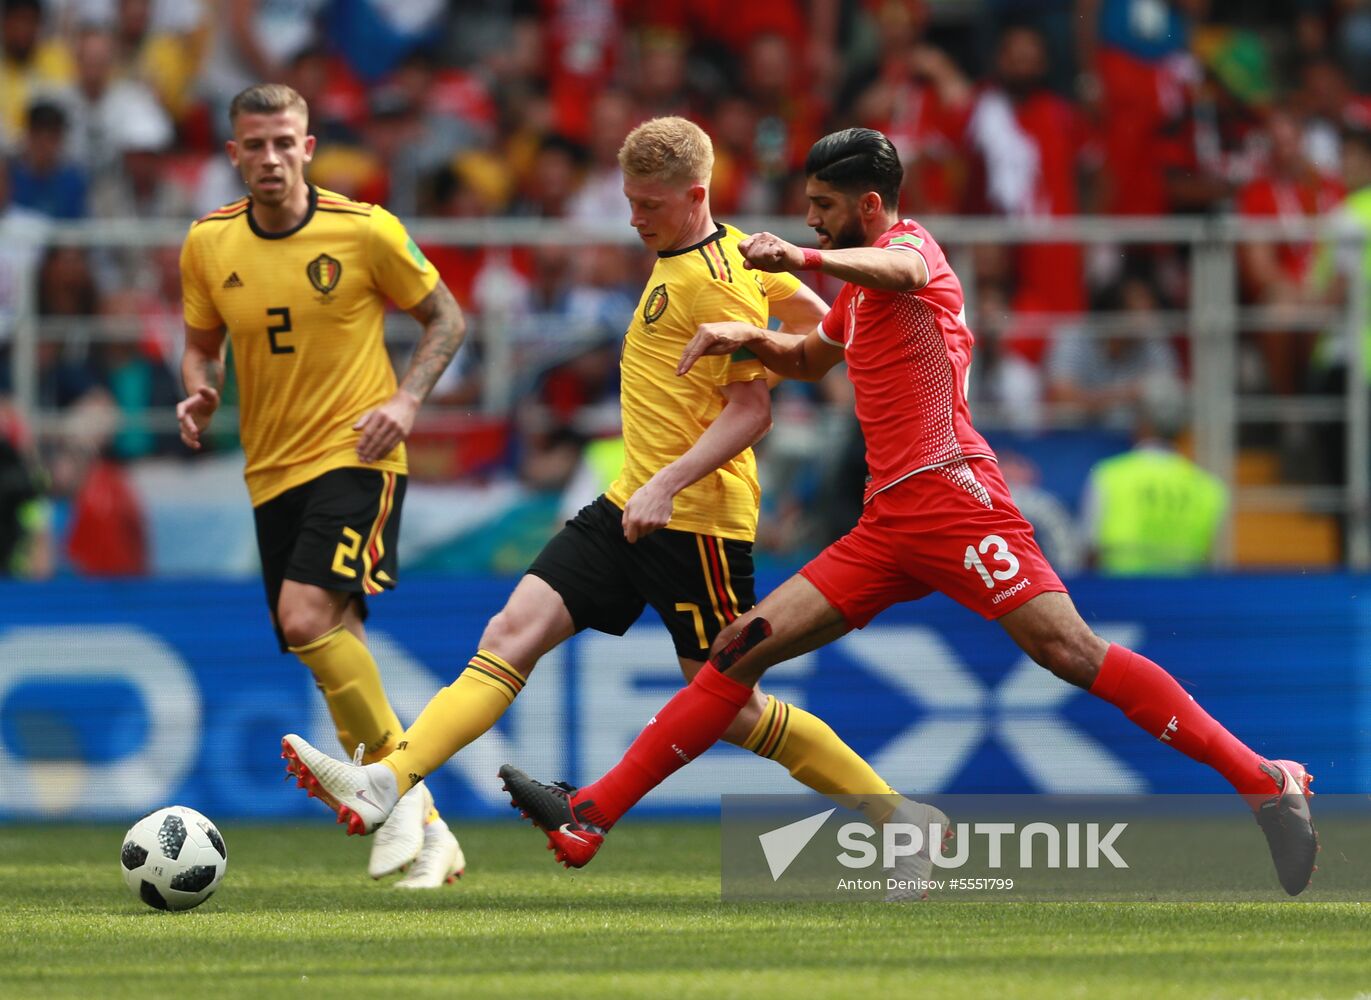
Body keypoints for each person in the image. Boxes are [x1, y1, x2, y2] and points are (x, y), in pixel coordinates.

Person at [488, 128, 1316, 896]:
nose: (809, 221)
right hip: (886, 523)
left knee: (1066, 650)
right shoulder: (852, 283)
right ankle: (591, 813)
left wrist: (804, 262)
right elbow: (811, 360)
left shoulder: (910, 248)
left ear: (869, 207)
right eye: (806, 209)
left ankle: (1263, 781)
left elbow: (906, 276)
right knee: (738, 651)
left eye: (821, 207)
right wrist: (746, 337)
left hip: (956, 498)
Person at [280, 117, 946, 900]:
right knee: (510, 633)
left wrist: (670, 480)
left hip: (695, 518)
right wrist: (792, 344)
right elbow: (814, 323)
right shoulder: (712, 254)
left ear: (695, 195)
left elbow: (750, 415)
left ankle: (902, 823)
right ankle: (386, 781)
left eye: (650, 205)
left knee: (733, 708)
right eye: (629, 201)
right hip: (629, 502)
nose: (634, 217)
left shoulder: (712, 275)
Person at [177, 83, 468, 889]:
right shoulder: (207, 244)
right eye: (253, 145)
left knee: (303, 615)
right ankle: (431, 829)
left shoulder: (365, 230)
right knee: (339, 646)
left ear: (308, 148)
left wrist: (407, 401)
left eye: (284, 143)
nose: (269, 158)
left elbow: (446, 318)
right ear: (232, 154)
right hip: (269, 472)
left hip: (358, 455)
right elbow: (199, 344)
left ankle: (396, 800)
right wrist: (198, 387)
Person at [1082, 376, 1228, 575]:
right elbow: (1213, 562)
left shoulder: (1108, 475)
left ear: (1141, 422)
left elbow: (1088, 553)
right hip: (1184, 600)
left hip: (1119, 596)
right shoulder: (1208, 487)